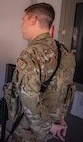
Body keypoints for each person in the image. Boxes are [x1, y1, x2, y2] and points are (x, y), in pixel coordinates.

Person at [11, 3, 75, 142]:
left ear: (33, 20)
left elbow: (28, 98)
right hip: (52, 125)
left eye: (23, 20)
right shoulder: (65, 52)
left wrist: (49, 126)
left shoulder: (31, 54)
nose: (21, 25)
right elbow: (68, 90)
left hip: (29, 130)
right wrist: (60, 118)